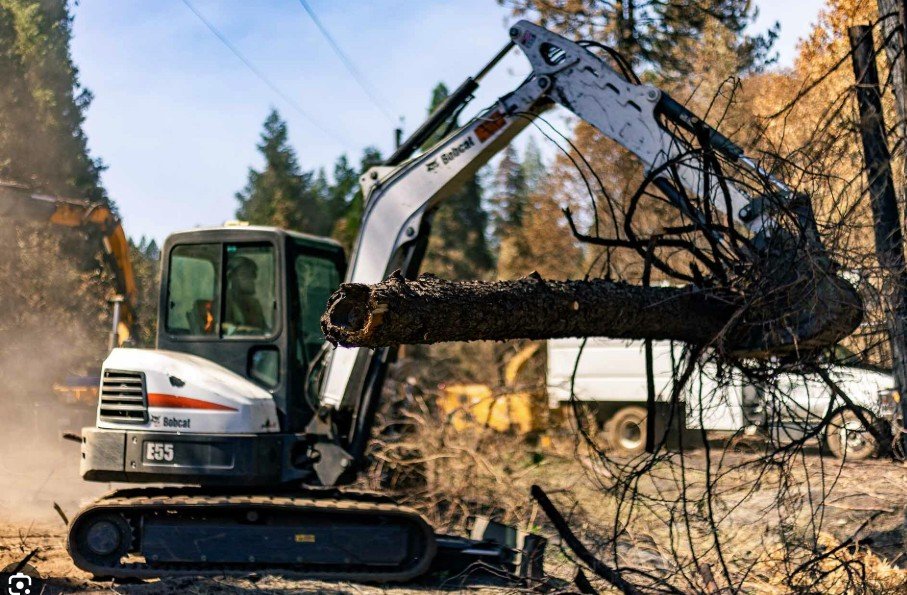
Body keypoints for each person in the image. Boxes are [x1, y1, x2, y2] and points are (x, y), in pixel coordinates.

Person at [225, 256, 266, 332]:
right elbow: (219, 327)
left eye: (253, 276)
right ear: (231, 277)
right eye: (245, 275)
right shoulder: (224, 301)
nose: (251, 280)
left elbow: (264, 329)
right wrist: (247, 330)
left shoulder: (254, 304)